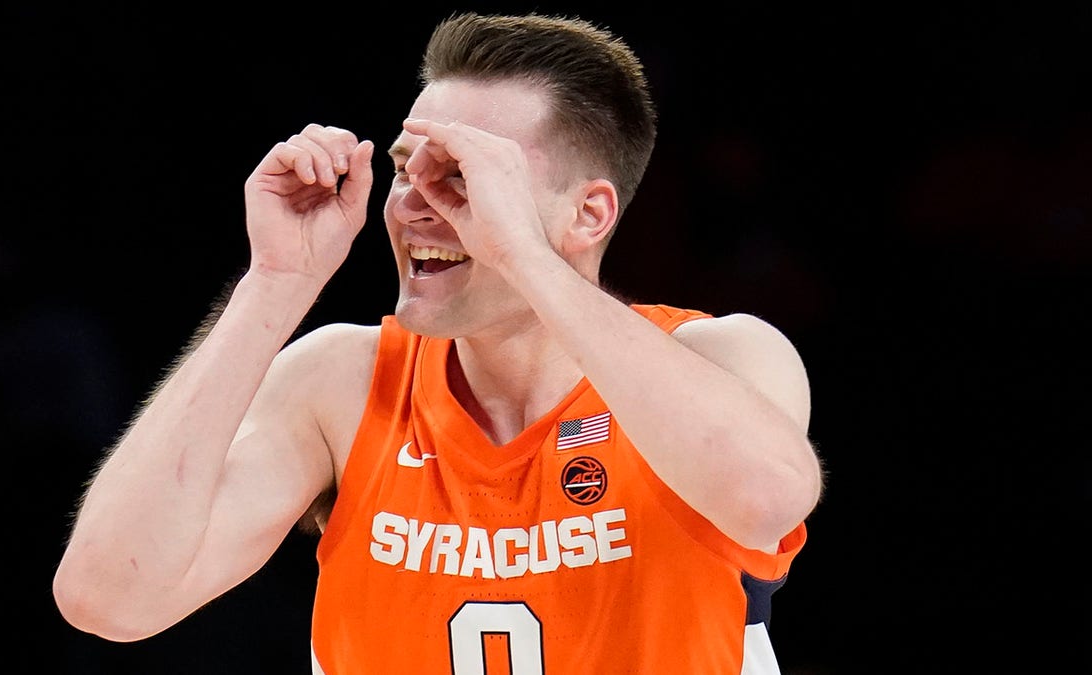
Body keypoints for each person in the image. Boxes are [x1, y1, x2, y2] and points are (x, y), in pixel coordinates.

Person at [53, 11, 823, 674]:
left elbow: (765, 497)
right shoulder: (341, 382)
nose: (414, 207)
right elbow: (108, 596)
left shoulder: (720, 357)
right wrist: (274, 283)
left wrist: (524, 253)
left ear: (589, 216)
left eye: (460, 176)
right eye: (403, 172)